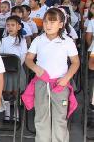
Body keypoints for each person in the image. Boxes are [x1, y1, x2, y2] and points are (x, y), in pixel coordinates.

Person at [23, 8, 80, 142]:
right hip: (41, 83)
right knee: (41, 117)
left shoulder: (67, 41)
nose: (48, 25)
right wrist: (35, 68)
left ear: (61, 24)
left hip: (60, 84)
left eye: (53, 22)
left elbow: (76, 62)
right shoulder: (38, 40)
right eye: (46, 21)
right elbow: (28, 59)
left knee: (59, 118)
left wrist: (66, 78)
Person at [0, 16, 27, 122]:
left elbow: (23, 55)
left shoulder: (22, 40)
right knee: (6, 92)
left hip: (17, 70)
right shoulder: (3, 40)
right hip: (6, 71)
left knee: (16, 92)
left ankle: (16, 115)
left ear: (19, 27)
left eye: (12, 25)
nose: (10, 27)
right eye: (8, 25)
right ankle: (6, 115)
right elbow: (0, 55)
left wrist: (16, 66)